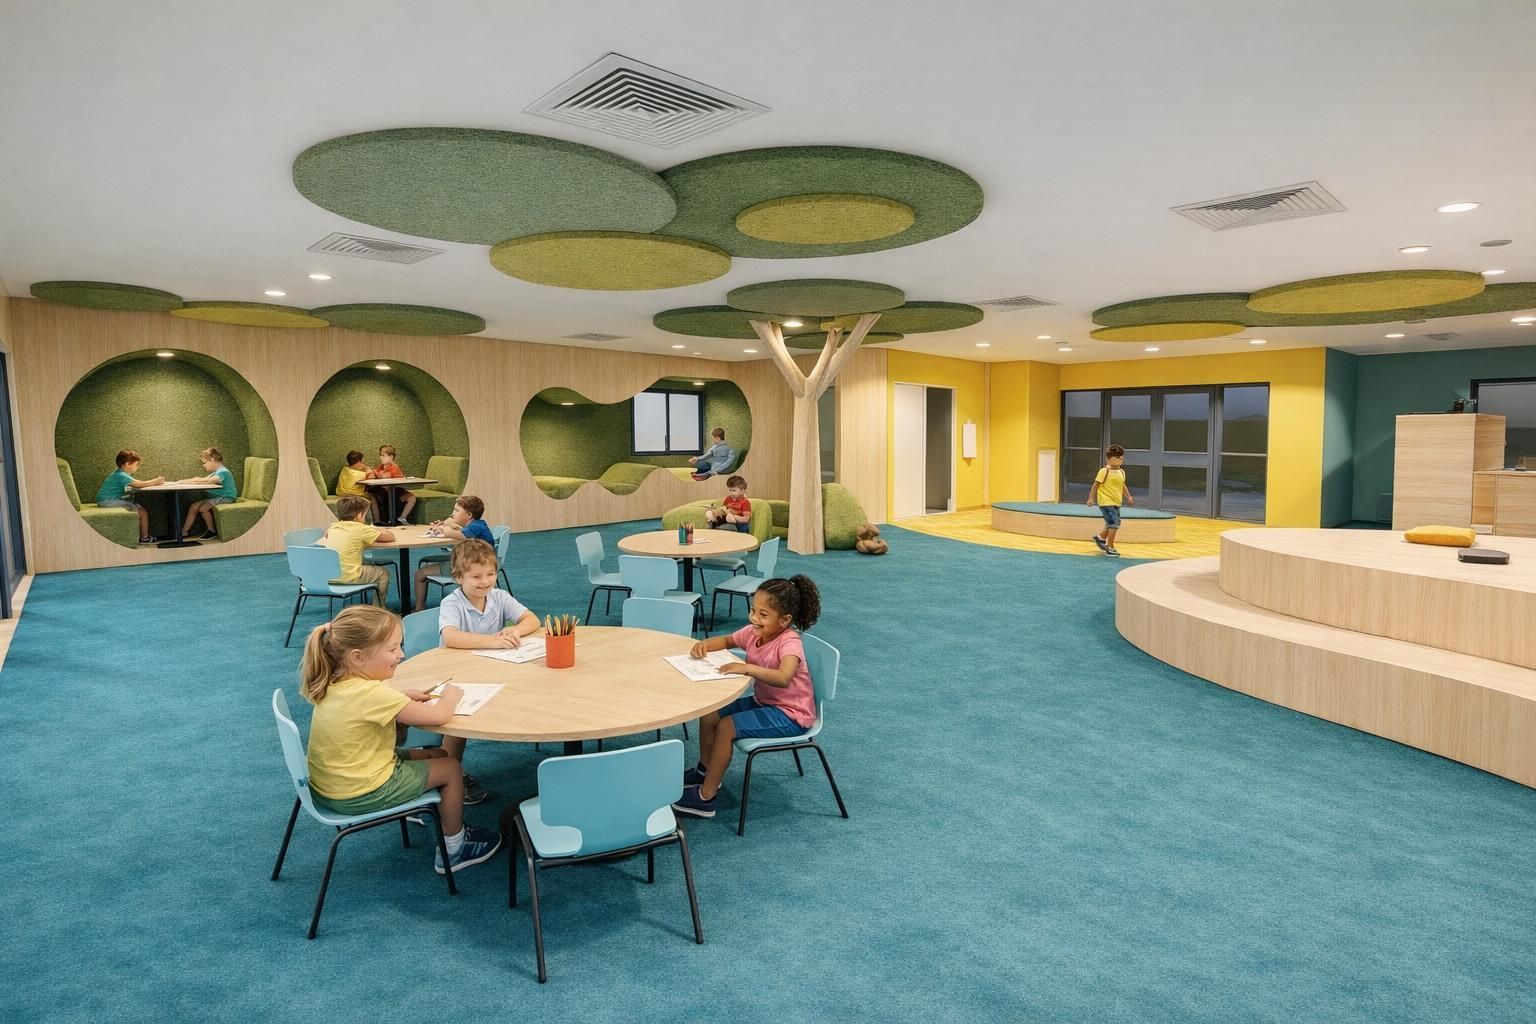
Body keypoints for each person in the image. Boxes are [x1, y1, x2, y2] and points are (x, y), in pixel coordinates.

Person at [299, 604, 501, 874]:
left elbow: (374, 715)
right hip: (360, 791)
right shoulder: (374, 694)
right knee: (452, 768)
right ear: (358, 657)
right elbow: (440, 715)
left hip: (333, 784)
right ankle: (454, 849)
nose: (401, 654)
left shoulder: (335, 683)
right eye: (393, 649)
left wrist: (400, 700)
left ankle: (426, 808)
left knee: (439, 756)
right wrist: (453, 694)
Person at [673, 575, 821, 819]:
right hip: (766, 703)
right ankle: (704, 770)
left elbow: (784, 677)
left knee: (726, 727)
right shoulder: (753, 632)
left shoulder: (789, 642)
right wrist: (705, 645)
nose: (754, 618)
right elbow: (728, 640)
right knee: (709, 712)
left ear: (784, 620)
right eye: (753, 610)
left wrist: (748, 668)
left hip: (792, 714)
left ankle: (706, 797)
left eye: (764, 615)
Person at [433, 538, 541, 805]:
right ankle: (452, 771)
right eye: (476, 576)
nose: (486, 581)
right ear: (458, 577)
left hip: (492, 666)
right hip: (456, 672)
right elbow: (451, 638)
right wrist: (492, 641)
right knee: (460, 723)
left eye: (491, 574)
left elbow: (533, 619)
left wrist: (514, 629)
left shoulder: (498, 596)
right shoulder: (452, 603)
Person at [413, 495, 496, 611]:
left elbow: (459, 535)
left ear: (469, 515)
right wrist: (446, 525)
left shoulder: (476, 526)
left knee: (419, 574)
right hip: (477, 564)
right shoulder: (477, 524)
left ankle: (419, 609)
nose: (453, 513)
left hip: (471, 567)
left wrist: (444, 528)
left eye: (456, 510)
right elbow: (456, 529)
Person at [321, 495, 395, 607]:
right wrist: (374, 528)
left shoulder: (333, 527)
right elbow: (390, 537)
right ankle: (379, 609)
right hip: (348, 577)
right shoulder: (361, 529)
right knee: (383, 573)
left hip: (327, 576)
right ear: (359, 516)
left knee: (362, 563)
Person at [96, 449, 164, 544]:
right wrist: (156, 481)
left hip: (108, 500)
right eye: (136, 464)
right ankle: (144, 538)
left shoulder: (120, 473)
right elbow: (139, 484)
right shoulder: (121, 475)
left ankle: (143, 536)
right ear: (128, 464)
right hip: (107, 501)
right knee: (142, 512)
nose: (138, 467)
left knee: (141, 510)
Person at [177, 447, 237, 539]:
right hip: (217, 497)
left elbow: (210, 481)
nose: (203, 466)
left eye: (204, 463)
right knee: (194, 506)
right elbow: (203, 479)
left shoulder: (223, 472)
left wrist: (195, 481)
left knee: (203, 509)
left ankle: (211, 531)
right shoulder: (216, 472)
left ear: (212, 460)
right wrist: (183, 481)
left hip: (226, 497)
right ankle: (183, 532)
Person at [1086, 443, 1133, 557]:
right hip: (1106, 502)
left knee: (1114, 523)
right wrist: (1091, 498)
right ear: (1109, 458)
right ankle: (1110, 546)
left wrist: (1128, 496)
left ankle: (1100, 537)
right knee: (1113, 524)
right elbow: (1096, 485)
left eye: (1121, 458)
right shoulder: (1104, 471)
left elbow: (1122, 485)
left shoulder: (1121, 472)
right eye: (1117, 458)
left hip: (1116, 501)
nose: (1120, 460)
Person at [366, 444, 416, 526]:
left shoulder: (395, 468)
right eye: (380, 455)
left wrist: (376, 473)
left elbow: (394, 482)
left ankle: (402, 518)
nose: (381, 458)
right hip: (383, 492)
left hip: (394, 492)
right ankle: (378, 521)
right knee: (371, 495)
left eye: (383, 456)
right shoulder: (381, 467)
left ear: (391, 457)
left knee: (411, 497)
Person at [336, 450, 380, 524]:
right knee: (372, 498)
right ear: (359, 462)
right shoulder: (357, 473)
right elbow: (371, 477)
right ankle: (373, 521)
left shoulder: (345, 469)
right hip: (351, 493)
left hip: (342, 492)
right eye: (362, 461)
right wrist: (368, 471)